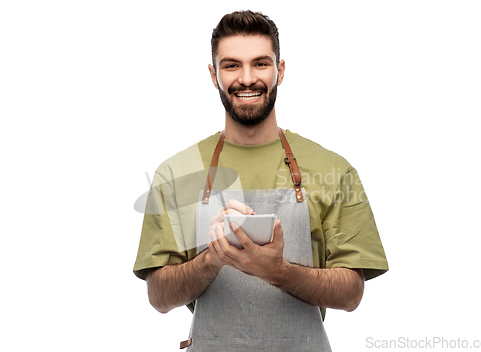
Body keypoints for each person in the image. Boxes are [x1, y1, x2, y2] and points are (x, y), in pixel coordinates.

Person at [133, 10, 388, 351]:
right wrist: (213, 258)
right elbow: (159, 297)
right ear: (214, 75)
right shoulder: (176, 173)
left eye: (261, 63)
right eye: (231, 65)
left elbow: (352, 294)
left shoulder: (334, 170)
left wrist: (278, 270)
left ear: (279, 71)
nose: (247, 78)